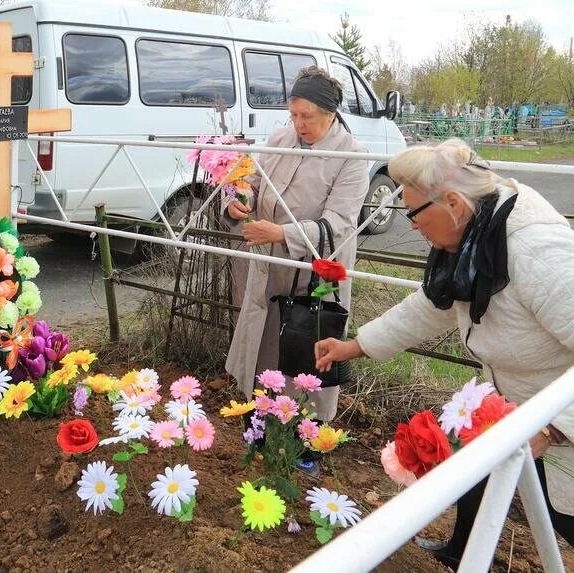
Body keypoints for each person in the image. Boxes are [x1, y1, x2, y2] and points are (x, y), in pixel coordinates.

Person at [315, 139, 574, 566]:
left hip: (558, 413)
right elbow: (430, 306)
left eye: (414, 212)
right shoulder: (475, 239)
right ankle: (463, 553)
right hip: (519, 399)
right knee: (477, 469)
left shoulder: (536, 254)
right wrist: (356, 345)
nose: (411, 224)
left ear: (452, 202)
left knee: (562, 517)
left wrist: (548, 429)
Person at [224, 65, 369, 471]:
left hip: (316, 272)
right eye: (294, 115)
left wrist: (281, 232)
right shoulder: (279, 139)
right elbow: (248, 182)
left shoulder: (352, 157)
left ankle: (306, 438)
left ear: (331, 113)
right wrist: (237, 200)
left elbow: (338, 224)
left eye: (309, 117)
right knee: (266, 343)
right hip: (270, 266)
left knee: (308, 347)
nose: (299, 124)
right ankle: (261, 419)